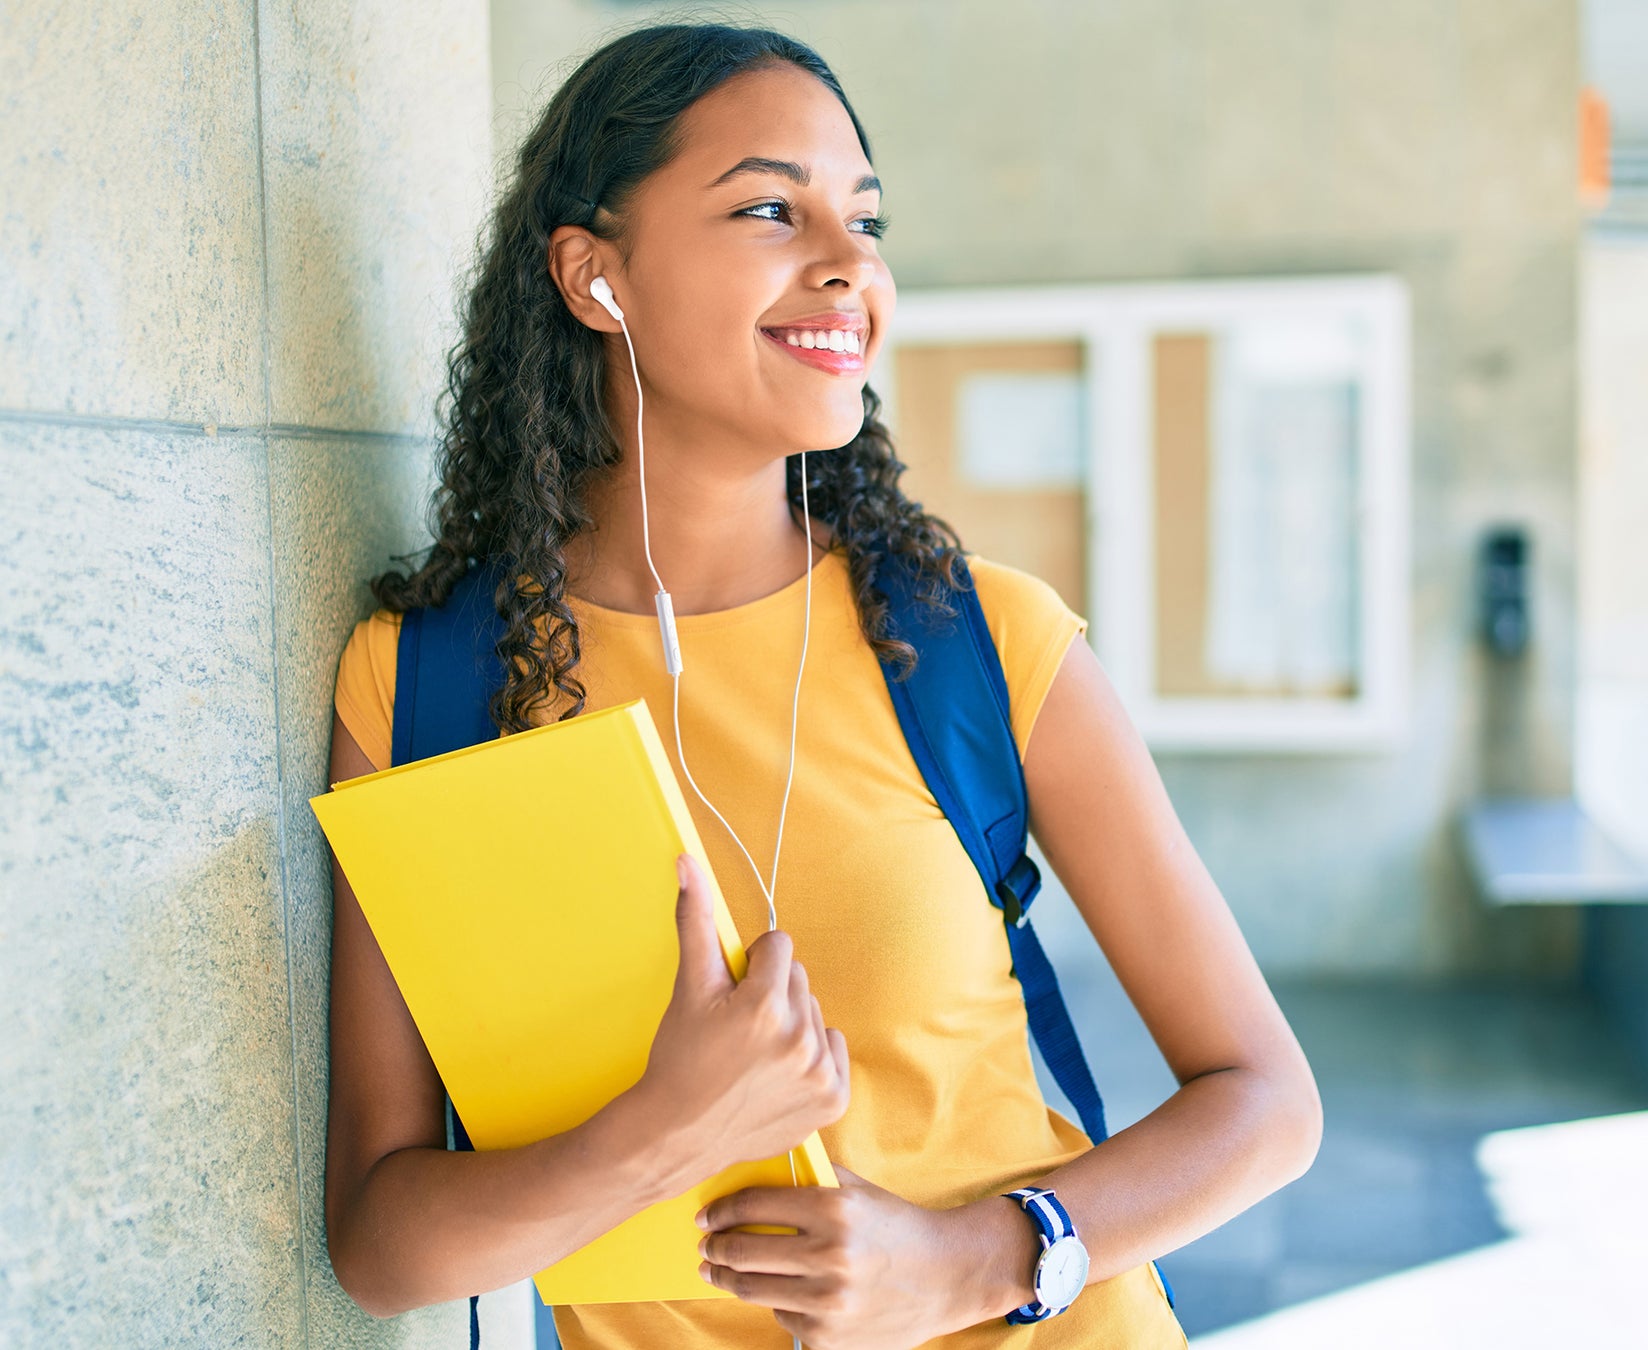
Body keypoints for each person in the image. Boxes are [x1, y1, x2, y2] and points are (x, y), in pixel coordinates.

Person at [322, 20, 1322, 1350]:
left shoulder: (981, 642)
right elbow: (383, 1248)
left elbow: (1267, 1102)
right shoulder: (422, 686)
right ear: (594, 275)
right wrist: (655, 1132)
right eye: (768, 209)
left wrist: (974, 1259)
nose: (852, 265)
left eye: (865, 217)